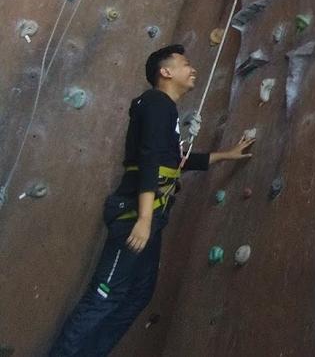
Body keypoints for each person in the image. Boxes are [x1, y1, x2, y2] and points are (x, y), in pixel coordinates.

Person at [50, 44, 254, 356]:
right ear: (166, 71)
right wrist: (144, 219)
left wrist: (225, 155)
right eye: (185, 63)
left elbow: (172, 161)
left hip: (150, 216)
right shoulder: (157, 103)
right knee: (105, 295)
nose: (193, 69)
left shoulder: (163, 110)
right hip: (135, 214)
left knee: (137, 294)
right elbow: (148, 159)